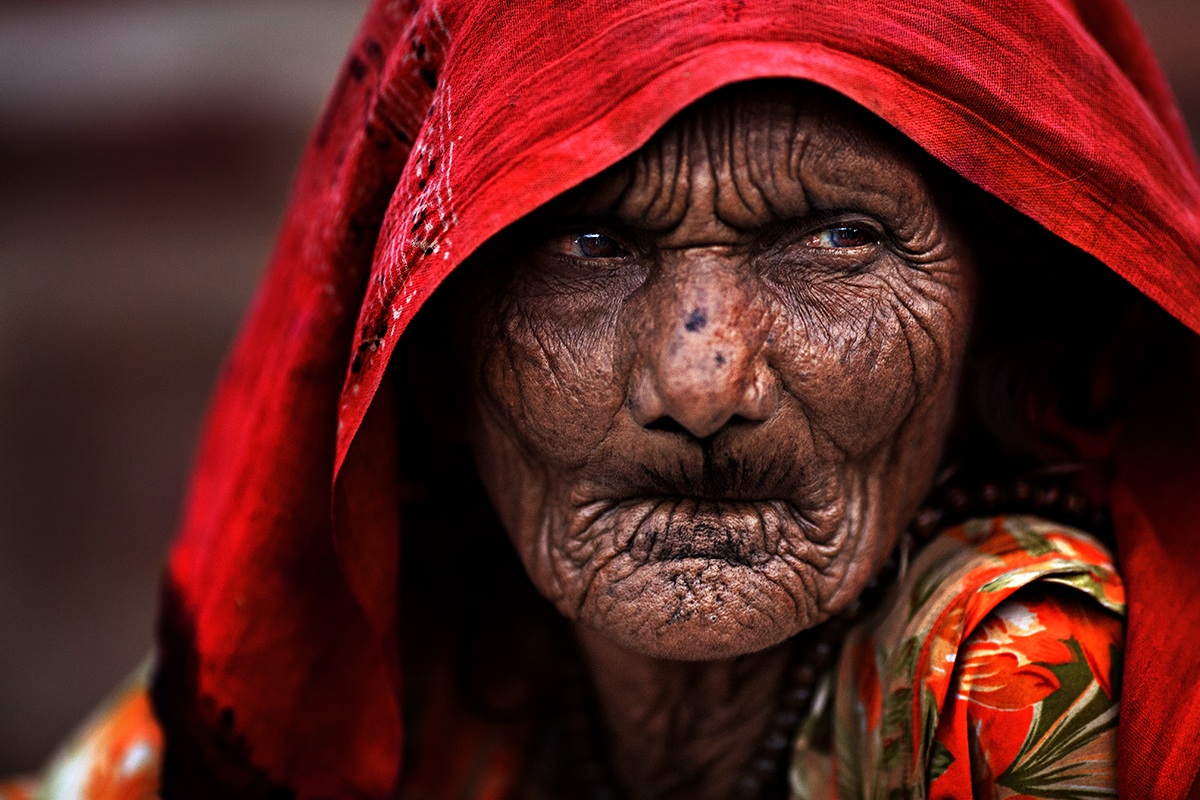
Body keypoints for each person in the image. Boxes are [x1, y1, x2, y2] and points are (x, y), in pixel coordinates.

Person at [5, 0, 1199, 798]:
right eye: (583, 244)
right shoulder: (394, 639)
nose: (700, 383)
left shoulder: (1006, 666)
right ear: (428, 344)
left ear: (995, 308)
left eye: (839, 238)